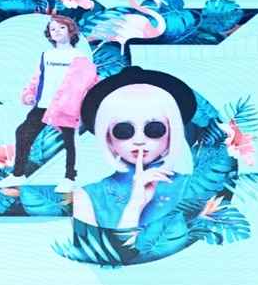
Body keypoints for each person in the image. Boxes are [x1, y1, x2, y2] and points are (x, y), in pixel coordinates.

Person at [72, 66, 213, 238]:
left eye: (154, 129)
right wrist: (135, 205)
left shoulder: (194, 188)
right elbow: (109, 252)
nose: (139, 140)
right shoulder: (86, 198)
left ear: (172, 132)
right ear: (108, 136)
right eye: (123, 130)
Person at [0, 15, 97, 193]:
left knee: (69, 141)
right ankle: (18, 174)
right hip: (43, 103)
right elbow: (38, 77)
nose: (57, 31)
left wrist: (78, 104)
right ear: (49, 33)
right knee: (23, 132)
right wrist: (29, 93)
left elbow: (87, 82)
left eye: (61, 27)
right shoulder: (47, 55)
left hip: (66, 107)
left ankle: (70, 178)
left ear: (71, 31)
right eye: (53, 29)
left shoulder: (79, 57)